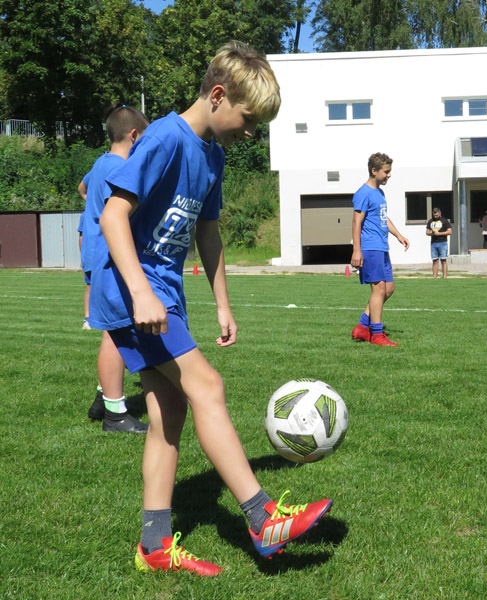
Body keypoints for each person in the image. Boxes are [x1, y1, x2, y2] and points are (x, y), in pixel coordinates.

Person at [90, 42, 333, 576]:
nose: (250, 133)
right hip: (133, 295)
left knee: (169, 413)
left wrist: (223, 303)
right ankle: (262, 516)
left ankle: (154, 547)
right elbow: (113, 217)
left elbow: (207, 230)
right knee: (208, 388)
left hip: (161, 295)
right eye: (248, 119)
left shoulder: (213, 156)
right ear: (219, 96)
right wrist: (141, 292)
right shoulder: (163, 139)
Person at [79, 105, 150, 434]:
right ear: (134, 135)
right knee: (115, 330)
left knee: (115, 327)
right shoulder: (119, 168)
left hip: (96, 253)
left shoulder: (99, 164)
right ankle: (115, 414)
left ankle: (103, 397)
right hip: (108, 257)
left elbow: (83, 189)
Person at [350, 152, 410, 345]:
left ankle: (361, 327)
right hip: (370, 248)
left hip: (381, 247)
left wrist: (399, 235)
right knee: (379, 289)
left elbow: (383, 217)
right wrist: (356, 250)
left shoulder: (379, 193)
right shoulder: (363, 193)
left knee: (388, 289)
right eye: (386, 172)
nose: (389, 175)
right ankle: (376, 335)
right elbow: (356, 222)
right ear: (374, 171)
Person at [427, 207, 452, 278]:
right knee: (435, 260)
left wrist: (439, 234)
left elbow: (450, 231)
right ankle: (434, 277)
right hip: (433, 243)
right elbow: (427, 232)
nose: (435, 217)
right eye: (434, 215)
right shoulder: (430, 221)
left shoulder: (444, 221)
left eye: (437, 215)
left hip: (443, 242)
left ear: (440, 213)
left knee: (443, 260)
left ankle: (445, 277)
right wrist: (432, 233)